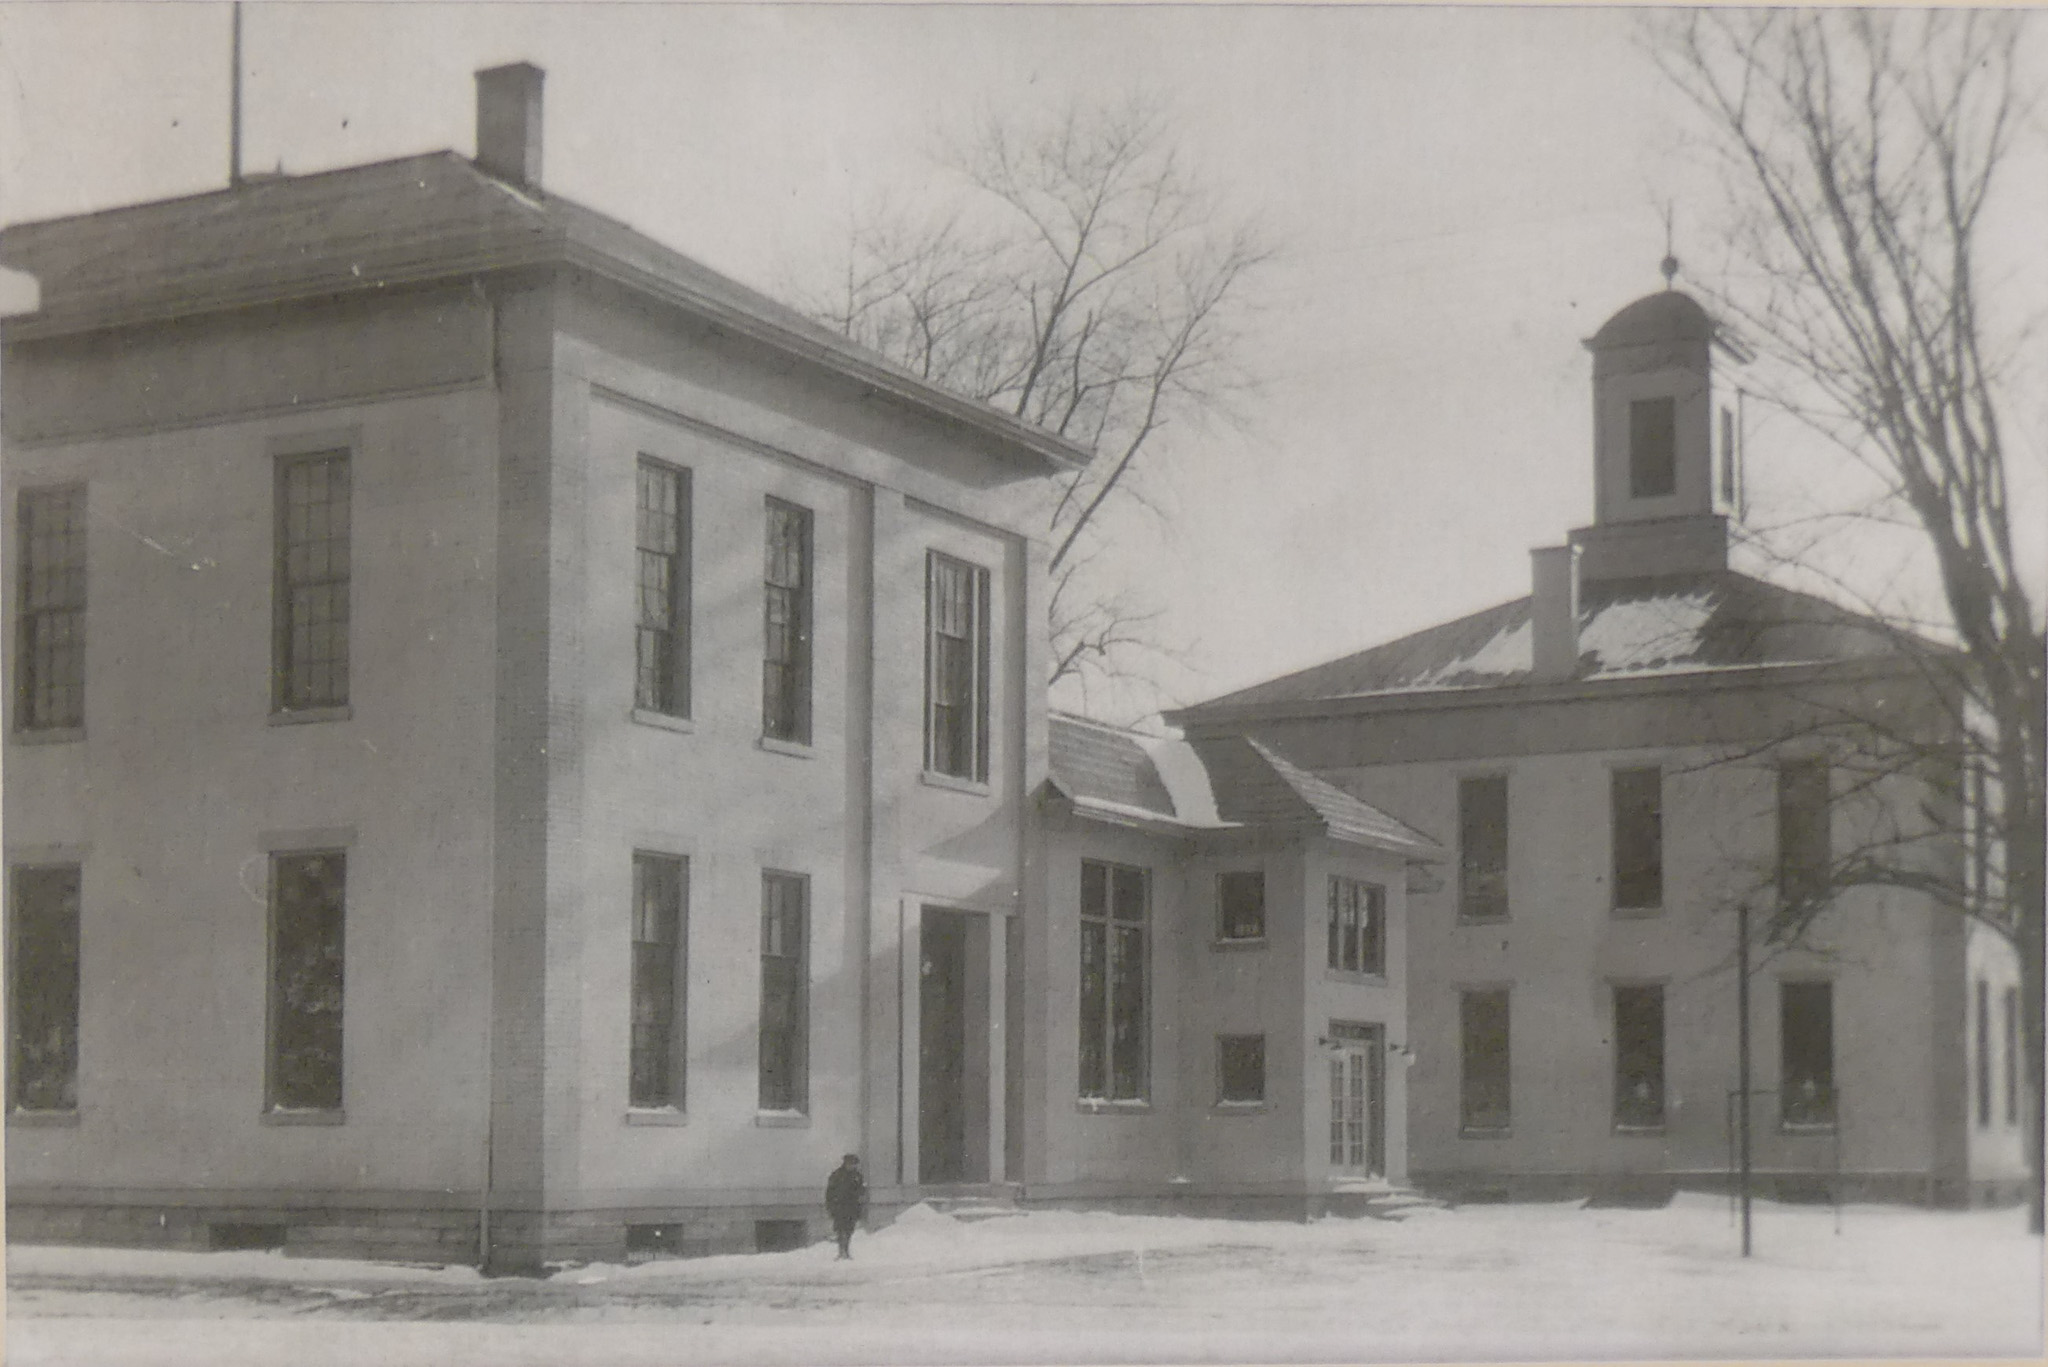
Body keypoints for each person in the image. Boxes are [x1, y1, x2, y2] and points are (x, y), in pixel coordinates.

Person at [824, 1153, 866, 1259]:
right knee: (840, 1229)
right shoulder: (837, 1175)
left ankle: (846, 1250)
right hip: (839, 1207)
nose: (853, 1166)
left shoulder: (857, 1176)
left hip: (852, 1207)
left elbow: (861, 1191)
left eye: (854, 1164)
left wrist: (860, 1205)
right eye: (851, 1164)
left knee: (849, 1230)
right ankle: (841, 1251)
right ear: (846, 1163)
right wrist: (830, 1206)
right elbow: (830, 1192)